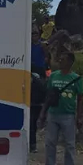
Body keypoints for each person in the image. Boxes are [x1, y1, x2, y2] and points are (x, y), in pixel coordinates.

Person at [39, 52, 83, 165]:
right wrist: (43, 114)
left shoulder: (76, 79)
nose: (60, 60)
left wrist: (80, 116)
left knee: (69, 144)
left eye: (63, 59)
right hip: (53, 114)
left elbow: (80, 99)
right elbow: (48, 97)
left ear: (70, 62)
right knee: (50, 143)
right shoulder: (53, 76)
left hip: (68, 115)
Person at [29, 22, 48, 153]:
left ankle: (33, 142)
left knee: (36, 111)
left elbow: (48, 58)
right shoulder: (25, 45)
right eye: (31, 34)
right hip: (28, 72)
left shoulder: (43, 46)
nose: (33, 36)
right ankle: (31, 142)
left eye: (35, 33)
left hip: (39, 74)